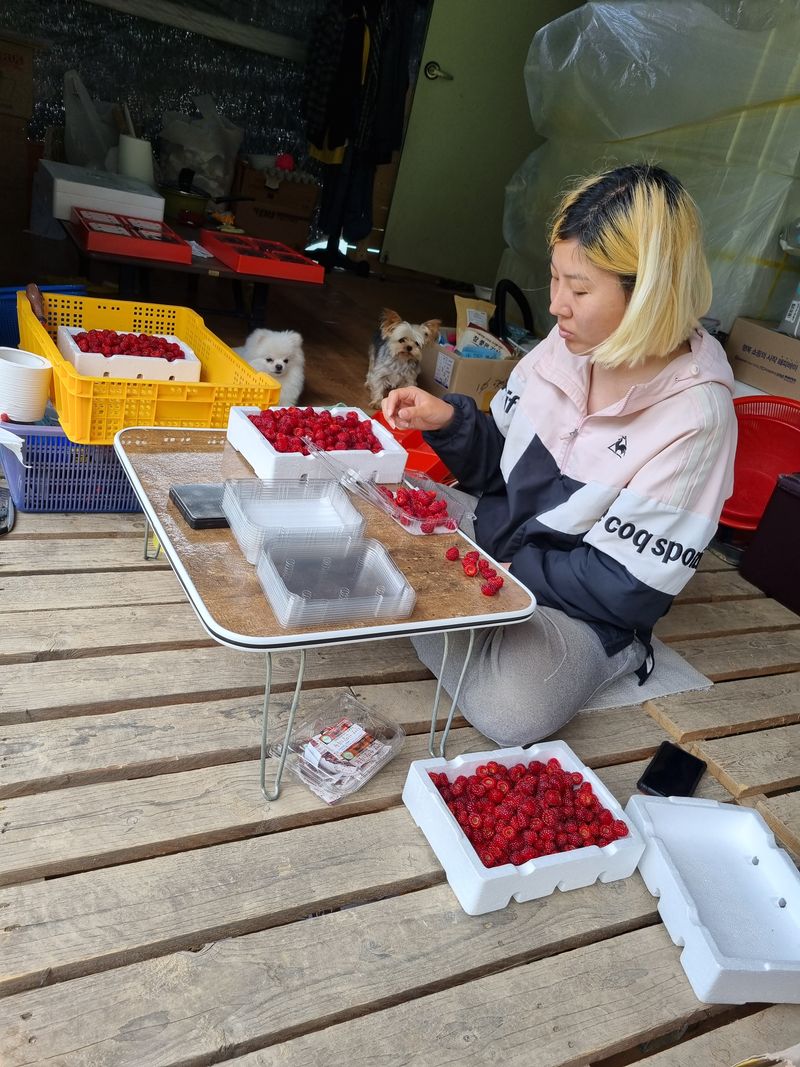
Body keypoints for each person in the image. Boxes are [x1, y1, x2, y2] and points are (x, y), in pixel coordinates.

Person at [382, 163, 737, 746]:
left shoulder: (696, 419)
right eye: (554, 280)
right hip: (495, 540)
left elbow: (625, 584)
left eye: (579, 289)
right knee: (372, 499)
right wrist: (448, 420)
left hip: (574, 605)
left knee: (512, 710)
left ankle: (424, 605)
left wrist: (491, 572)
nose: (556, 306)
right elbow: (499, 469)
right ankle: (442, 609)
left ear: (649, 293)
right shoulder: (566, 345)